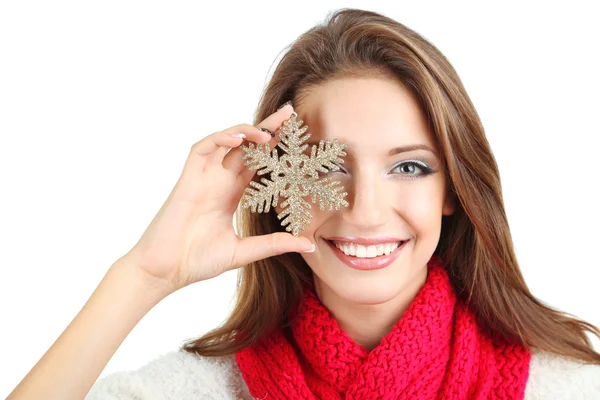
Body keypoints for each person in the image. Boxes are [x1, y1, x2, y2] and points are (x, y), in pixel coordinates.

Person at [7, 8, 600, 400]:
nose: (366, 208)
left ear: (453, 192)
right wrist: (142, 276)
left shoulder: (566, 387)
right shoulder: (189, 391)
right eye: (330, 166)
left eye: (409, 166)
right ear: (279, 186)